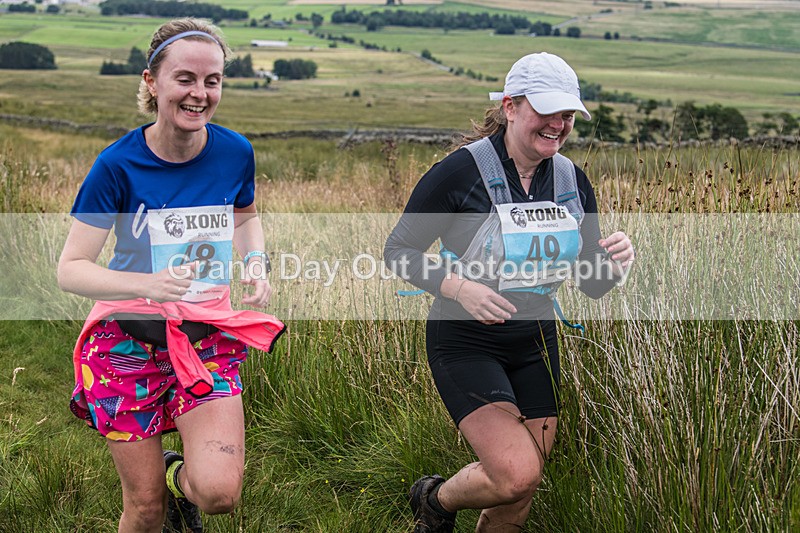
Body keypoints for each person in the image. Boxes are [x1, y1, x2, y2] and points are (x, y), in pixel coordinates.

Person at [384, 52, 634, 532]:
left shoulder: (571, 180)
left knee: (525, 479)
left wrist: (616, 261)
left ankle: (439, 505)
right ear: (512, 106)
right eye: (547, 111)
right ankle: (435, 500)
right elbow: (398, 250)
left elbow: (593, 284)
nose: (558, 125)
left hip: (536, 340)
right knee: (516, 472)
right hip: (465, 340)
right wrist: (460, 288)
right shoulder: (459, 172)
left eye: (567, 115)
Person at [57, 18, 285, 533]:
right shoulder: (116, 167)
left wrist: (255, 263)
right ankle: (161, 488)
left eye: (213, 80)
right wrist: (146, 286)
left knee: (219, 494)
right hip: (126, 348)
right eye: (185, 79)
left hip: (205, 339)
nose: (199, 93)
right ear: (152, 82)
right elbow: (71, 270)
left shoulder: (234, 152)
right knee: (144, 507)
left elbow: (245, 215)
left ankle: (177, 472)